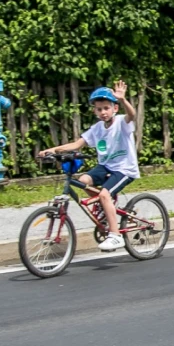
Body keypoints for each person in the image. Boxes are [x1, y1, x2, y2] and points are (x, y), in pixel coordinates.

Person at [38, 81, 140, 252]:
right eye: (99, 109)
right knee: (83, 180)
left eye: (107, 108)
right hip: (106, 166)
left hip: (124, 169)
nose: (103, 112)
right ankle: (105, 208)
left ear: (115, 108)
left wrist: (122, 99)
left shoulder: (122, 122)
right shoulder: (97, 128)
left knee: (105, 194)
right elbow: (77, 144)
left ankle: (115, 235)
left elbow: (132, 114)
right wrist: (52, 150)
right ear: (95, 111)